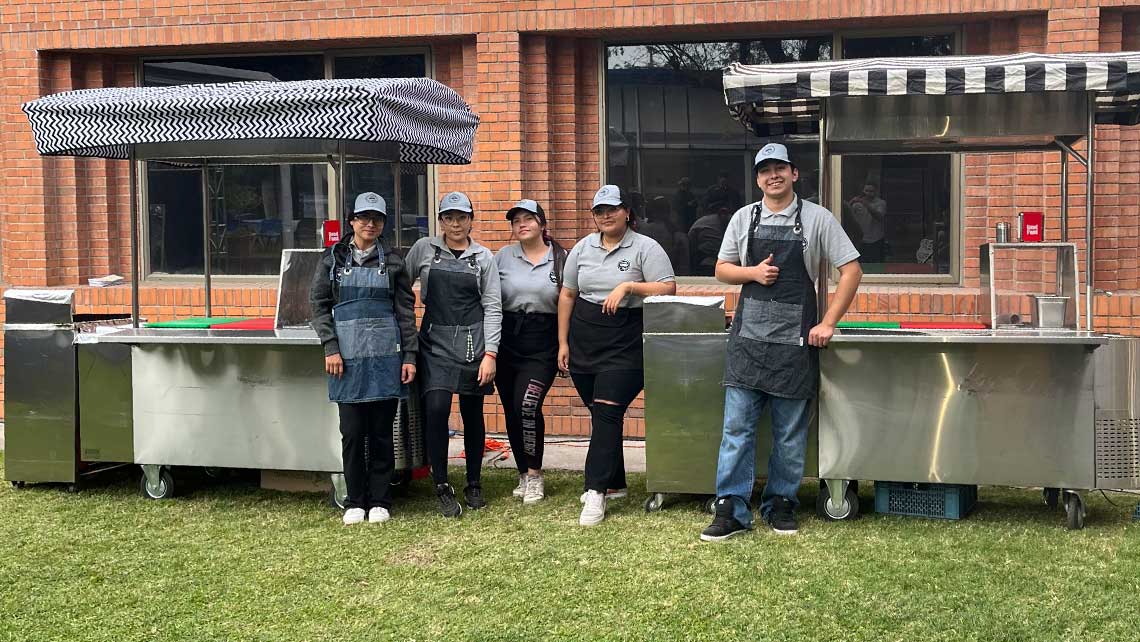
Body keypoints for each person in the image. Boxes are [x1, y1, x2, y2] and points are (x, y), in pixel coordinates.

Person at [701, 143, 862, 541]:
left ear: (794, 174)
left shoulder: (817, 218)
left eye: (780, 168)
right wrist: (752, 273)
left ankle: (782, 503)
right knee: (736, 429)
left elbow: (852, 270)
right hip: (748, 342)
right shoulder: (743, 218)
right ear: (757, 179)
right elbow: (721, 269)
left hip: (795, 342)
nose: (772, 175)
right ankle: (731, 509)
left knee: (790, 432)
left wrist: (828, 322)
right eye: (764, 170)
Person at [558, 185, 677, 526]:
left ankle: (595, 492)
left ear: (627, 212)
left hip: (626, 338)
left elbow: (668, 287)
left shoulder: (645, 247)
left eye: (613, 208)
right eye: (599, 210)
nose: (606, 215)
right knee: (599, 412)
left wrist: (628, 287)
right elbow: (567, 295)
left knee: (608, 413)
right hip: (584, 335)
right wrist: (563, 342)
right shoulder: (582, 248)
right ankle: (615, 483)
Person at [310, 192, 418, 526]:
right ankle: (355, 500)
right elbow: (317, 306)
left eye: (377, 219)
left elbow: (405, 312)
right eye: (363, 218)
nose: (370, 224)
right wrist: (331, 347)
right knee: (354, 433)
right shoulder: (332, 260)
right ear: (352, 221)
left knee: (383, 432)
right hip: (346, 360)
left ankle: (381, 500)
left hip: (387, 359)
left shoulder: (395, 262)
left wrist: (409, 356)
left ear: (383, 223)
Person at [405, 191, 502, 518]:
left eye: (462, 217)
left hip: (474, 342)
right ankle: (442, 484)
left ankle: (474, 481)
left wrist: (491, 353)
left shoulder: (483, 257)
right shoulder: (424, 249)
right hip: (434, 341)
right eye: (449, 217)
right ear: (441, 221)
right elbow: (401, 290)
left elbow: (492, 306)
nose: (456, 223)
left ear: (471, 220)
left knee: (473, 412)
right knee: (436, 407)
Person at [494, 199, 567, 504]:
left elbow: (569, 300)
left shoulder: (561, 258)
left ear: (542, 224)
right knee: (512, 407)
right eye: (516, 221)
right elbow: (489, 299)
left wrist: (565, 343)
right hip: (508, 339)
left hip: (543, 341)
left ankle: (535, 475)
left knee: (527, 404)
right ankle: (522, 472)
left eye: (528, 219)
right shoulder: (502, 257)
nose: (521, 224)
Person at [687, 198, 734, 277]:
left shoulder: (701, 222)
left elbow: (690, 243)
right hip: (722, 263)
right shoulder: (735, 220)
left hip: (713, 263)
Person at [846, 182, 887, 262]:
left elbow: (879, 216)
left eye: (871, 191)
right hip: (860, 240)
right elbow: (846, 215)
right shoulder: (857, 204)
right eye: (866, 191)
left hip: (876, 239)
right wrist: (851, 202)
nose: (868, 193)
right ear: (863, 191)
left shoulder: (881, 203)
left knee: (876, 264)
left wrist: (865, 203)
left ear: (876, 191)